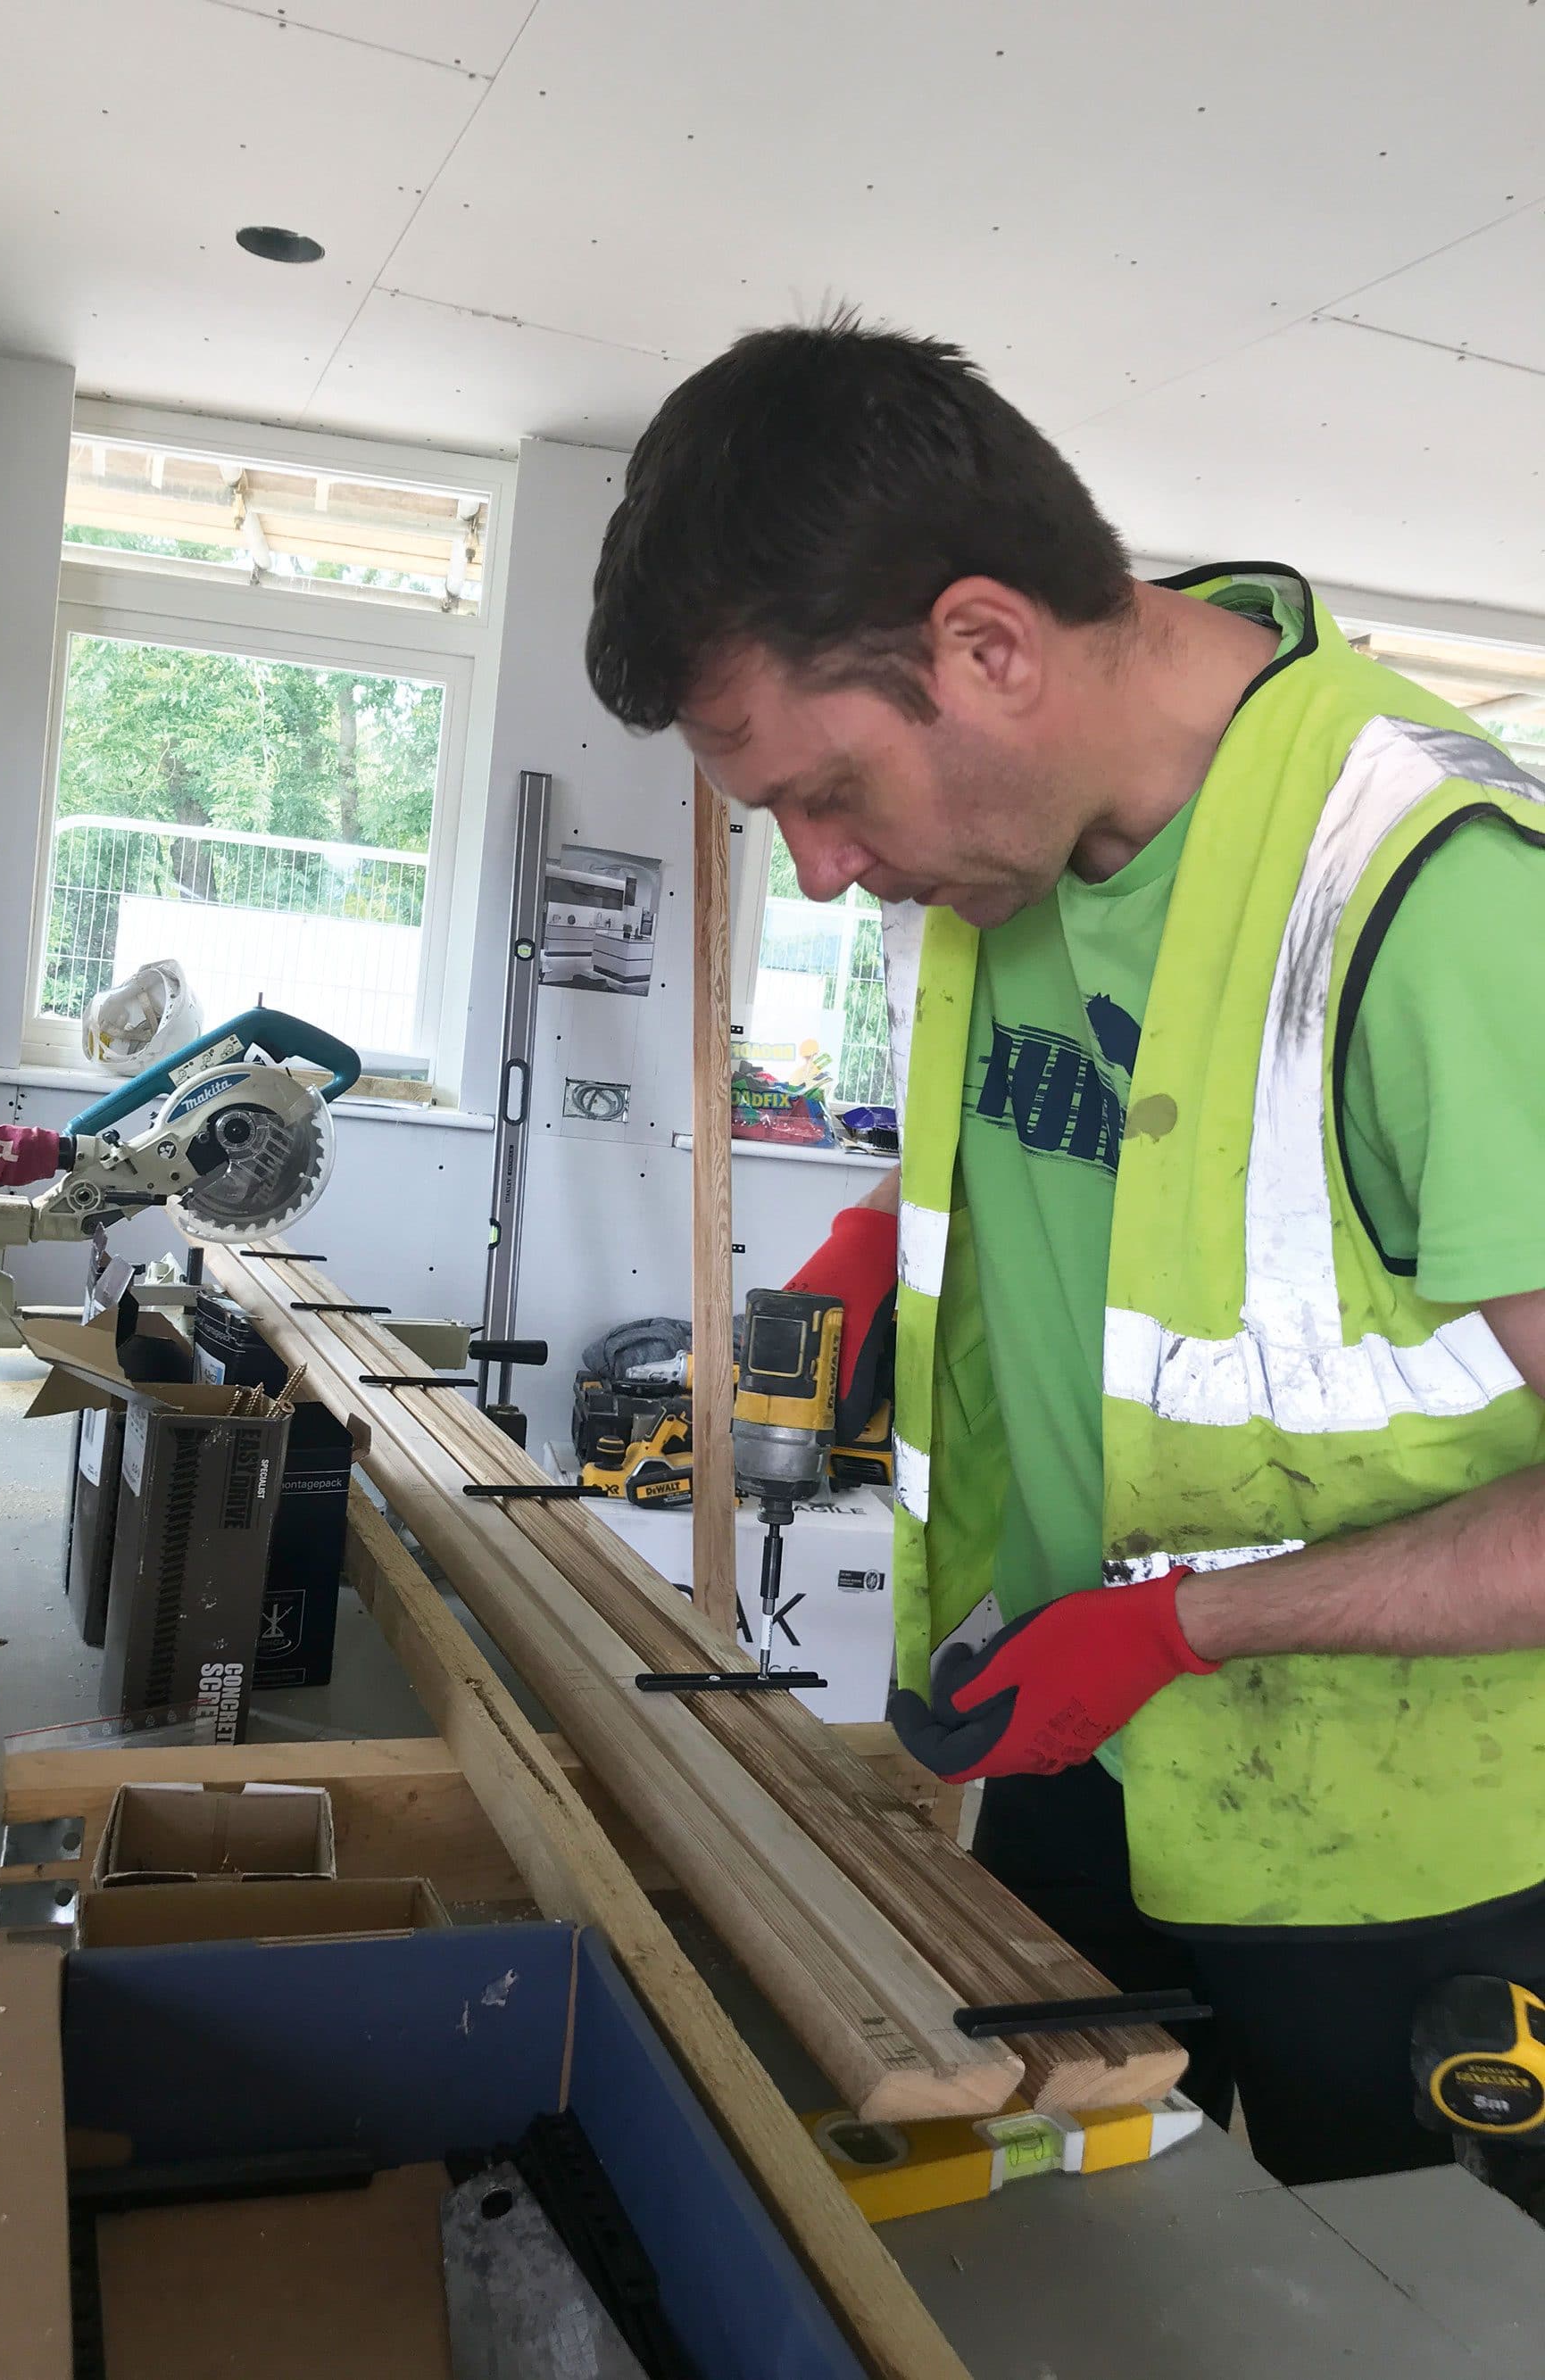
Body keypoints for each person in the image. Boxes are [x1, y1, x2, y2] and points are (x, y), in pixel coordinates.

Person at [584, 312, 1545, 2188]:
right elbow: (1120, 1152)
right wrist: (874, 1241)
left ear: (988, 644)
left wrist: (1188, 1623)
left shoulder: (1443, 907)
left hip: (1398, 1860)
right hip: (1068, 1737)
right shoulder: (1011, 844)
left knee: (1359, 2310)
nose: (820, 868)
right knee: (1056, 2273)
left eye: (822, 791)